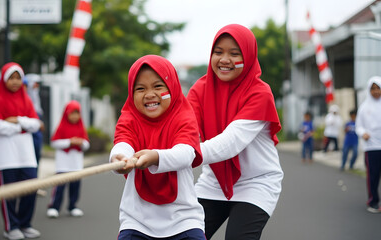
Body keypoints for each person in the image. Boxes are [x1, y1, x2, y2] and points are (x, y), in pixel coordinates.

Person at [186, 24, 283, 240]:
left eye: (234, 53)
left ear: (247, 56)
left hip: (256, 182)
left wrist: (176, 157)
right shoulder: (199, 89)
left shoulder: (260, 93)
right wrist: (152, 152)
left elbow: (231, 142)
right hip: (213, 182)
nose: (224, 59)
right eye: (218, 52)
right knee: (181, 234)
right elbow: (182, 129)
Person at [109, 55, 206, 239]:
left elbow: (186, 153)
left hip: (184, 220)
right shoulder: (128, 118)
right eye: (140, 88)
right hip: (137, 221)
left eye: (158, 86)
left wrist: (155, 157)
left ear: (172, 87)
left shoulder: (184, 116)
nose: (149, 94)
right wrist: (119, 157)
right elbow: (123, 142)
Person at [0, 62, 41, 239]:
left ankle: (25, 224)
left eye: (18, 78)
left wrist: (16, 121)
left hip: (26, 155)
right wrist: (22, 125)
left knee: (30, 188)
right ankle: (11, 227)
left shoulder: (26, 99)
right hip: (6, 157)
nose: (16, 82)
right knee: (8, 193)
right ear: (4, 79)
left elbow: (35, 124)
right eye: (12, 77)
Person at [47, 100, 90, 218]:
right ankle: (54, 207)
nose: (75, 116)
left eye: (77, 113)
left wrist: (81, 143)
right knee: (59, 187)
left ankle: (72, 206)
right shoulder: (61, 127)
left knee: (75, 186)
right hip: (63, 164)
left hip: (76, 164)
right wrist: (69, 142)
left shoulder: (81, 127)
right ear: (66, 113)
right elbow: (54, 143)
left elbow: (87, 145)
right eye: (72, 113)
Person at [355, 76, 381, 213]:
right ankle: (373, 201)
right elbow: (358, 126)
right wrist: (363, 133)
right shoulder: (364, 107)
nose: (376, 91)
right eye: (373, 89)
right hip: (371, 147)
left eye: (378, 88)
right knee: (373, 175)